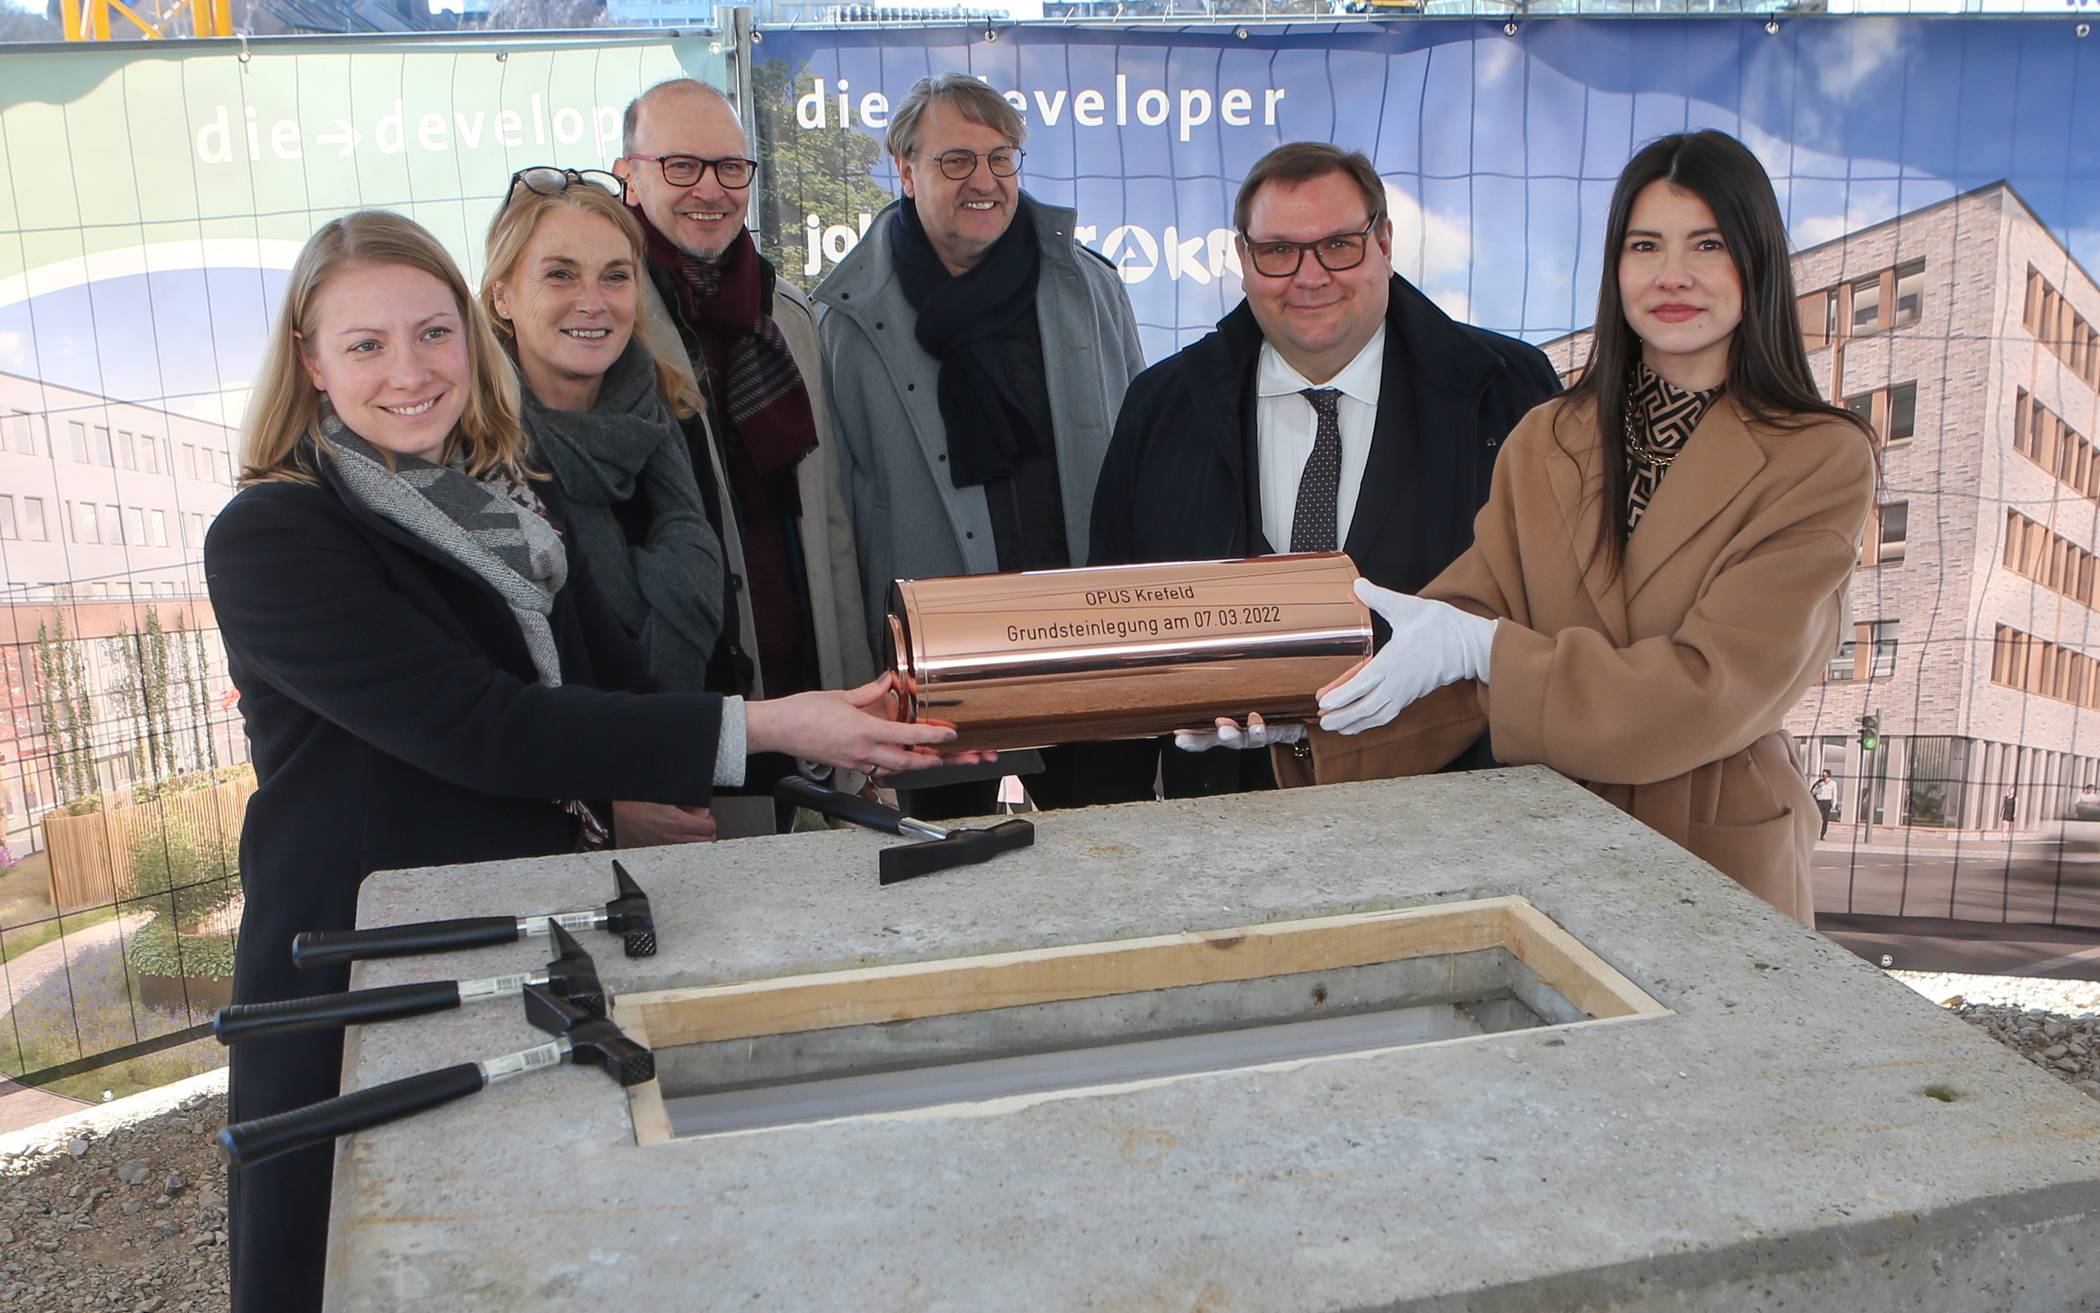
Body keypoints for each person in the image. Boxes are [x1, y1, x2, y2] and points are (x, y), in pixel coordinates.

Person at [206, 210, 977, 1313]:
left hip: (523, 936)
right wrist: (773, 727)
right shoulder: (273, 535)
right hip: (368, 960)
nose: (410, 371)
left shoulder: (511, 505)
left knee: (520, 1256)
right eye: (366, 344)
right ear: (312, 362)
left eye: (433, 333)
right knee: (361, 1263)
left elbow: (615, 699)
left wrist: (855, 736)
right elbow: (485, 726)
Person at [1191, 130, 1875, 925]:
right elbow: (1451, 651)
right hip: (1558, 849)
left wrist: (1487, 650)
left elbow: (1708, 692)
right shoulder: (1547, 436)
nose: (1672, 275)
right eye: (1645, 245)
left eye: (1708, 244)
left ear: (1756, 260)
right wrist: (1306, 718)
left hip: (1716, 864)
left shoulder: (1818, 456)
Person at [1091, 141, 1559, 799]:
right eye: (1279, 251)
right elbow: (1116, 626)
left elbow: (1553, 619)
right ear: (1243, 259)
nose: (1310, 277)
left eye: (1339, 245)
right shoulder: (1160, 408)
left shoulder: (1511, 394)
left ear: (1385, 244)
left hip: (1455, 810)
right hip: (1227, 819)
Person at [814, 72, 1146, 818]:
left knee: (1111, 848)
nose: (986, 182)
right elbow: (840, 519)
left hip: (1085, 644)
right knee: (948, 863)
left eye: (1001, 159)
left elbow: (1139, 469)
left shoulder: (1090, 290)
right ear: (904, 170)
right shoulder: (847, 321)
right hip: (938, 668)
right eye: (956, 160)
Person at [615, 79, 873, 829]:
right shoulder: (610, 326)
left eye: (730, 167)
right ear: (628, 176)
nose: (711, 189)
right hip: (683, 709)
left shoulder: (786, 317)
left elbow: (829, 527)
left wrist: (857, 712)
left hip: (804, 690)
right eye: (681, 166)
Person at [483, 166, 726, 847]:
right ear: (502, 295)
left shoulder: (670, 411)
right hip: (551, 820)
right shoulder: (472, 453)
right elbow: (489, 695)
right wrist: (608, 798)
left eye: (615, 276)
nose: (593, 302)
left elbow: (707, 589)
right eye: (560, 275)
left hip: (688, 777)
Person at [1811, 768, 1836, 840]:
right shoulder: (1819, 783)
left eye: (1825, 776)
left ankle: (1822, 835)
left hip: (1827, 802)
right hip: (1819, 801)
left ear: (1829, 776)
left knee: (1825, 819)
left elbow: (1834, 794)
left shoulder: (1833, 784)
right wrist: (1820, 788)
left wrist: (1834, 804)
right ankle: (1815, 834)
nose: (1824, 778)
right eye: (1823, 776)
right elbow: (1813, 792)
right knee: (1817, 819)